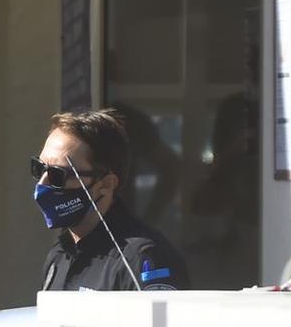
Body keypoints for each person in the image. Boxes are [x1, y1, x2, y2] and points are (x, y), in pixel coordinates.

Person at [35, 108, 190, 292]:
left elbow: (162, 320)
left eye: (58, 175)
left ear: (106, 184)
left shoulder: (143, 259)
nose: (42, 183)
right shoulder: (59, 255)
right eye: (38, 168)